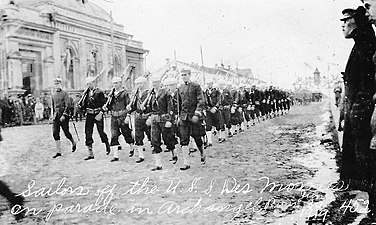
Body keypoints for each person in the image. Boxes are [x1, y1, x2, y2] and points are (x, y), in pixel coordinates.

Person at [339, 7, 376, 219]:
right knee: (365, 164)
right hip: (360, 116)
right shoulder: (361, 44)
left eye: (346, 21)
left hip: (363, 118)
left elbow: (366, 87)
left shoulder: (364, 45)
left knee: (368, 163)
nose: (342, 26)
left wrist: (355, 113)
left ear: (357, 22)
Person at [177, 69, 206, 170]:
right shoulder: (180, 88)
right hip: (184, 118)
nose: (184, 76)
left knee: (197, 137)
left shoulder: (196, 86)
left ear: (190, 75)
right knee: (184, 139)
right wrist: (178, 116)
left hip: (194, 117)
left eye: (185, 75)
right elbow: (178, 104)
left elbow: (201, 101)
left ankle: (202, 153)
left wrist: (197, 114)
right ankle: (186, 162)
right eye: (182, 75)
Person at [148, 76, 178, 171]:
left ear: (160, 83)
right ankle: (158, 164)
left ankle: (174, 154)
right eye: (153, 83)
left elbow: (170, 107)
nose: (154, 84)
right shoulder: (151, 94)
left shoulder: (166, 93)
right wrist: (149, 116)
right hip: (155, 120)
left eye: (156, 82)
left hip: (164, 119)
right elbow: (150, 107)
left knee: (168, 139)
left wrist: (169, 120)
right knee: (154, 140)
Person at [102, 77, 135, 162]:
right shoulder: (111, 94)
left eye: (117, 83)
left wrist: (128, 116)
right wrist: (106, 107)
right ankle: (115, 155)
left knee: (126, 133)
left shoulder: (125, 93)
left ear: (121, 83)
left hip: (122, 116)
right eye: (114, 83)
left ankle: (131, 147)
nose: (115, 85)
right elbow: (109, 105)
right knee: (114, 135)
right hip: (114, 117)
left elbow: (129, 106)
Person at [78, 76, 110, 160]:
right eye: (87, 84)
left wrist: (101, 112)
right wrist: (80, 107)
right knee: (88, 132)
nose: (89, 85)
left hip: (97, 113)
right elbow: (84, 105)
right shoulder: (86, 93)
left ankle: (107, 144)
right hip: (89, 115)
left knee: (101, 131)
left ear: (93, 83)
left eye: (90, 83)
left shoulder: (99, 92)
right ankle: (90, 153)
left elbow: (104, 103)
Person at [126, 76, 151, 163]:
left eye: (141, 83)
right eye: (137, 84)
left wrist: (150, 116)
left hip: (147, 117)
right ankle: (141, 155)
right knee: (138, 136)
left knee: (151, 135)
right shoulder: (135, 94)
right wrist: (129, 109)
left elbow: (153, 106)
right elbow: (133, 106)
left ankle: (156, 151)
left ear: (145, 83)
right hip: (138, 118)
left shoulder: (149, 93)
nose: (139, 85)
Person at [51, 78, 76, 158]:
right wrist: (52, 115)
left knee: (66, 132)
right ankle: (58, 151)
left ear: (61, 84)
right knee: (55, 133)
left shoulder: (65, 93)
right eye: (55, 84)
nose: (56, 85)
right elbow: (53, 106)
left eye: (58, 83)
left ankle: (73, 142)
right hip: (56, 116)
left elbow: (67, 105)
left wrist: (64, 115)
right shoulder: (53, 95)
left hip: (63, 116)